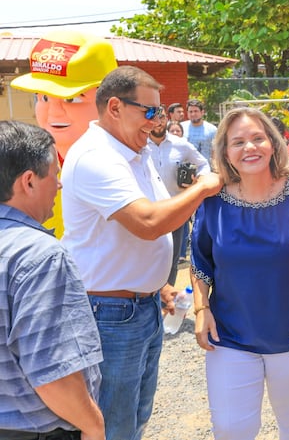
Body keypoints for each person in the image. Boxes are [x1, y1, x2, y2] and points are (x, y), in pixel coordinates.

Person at [60, 66, 223, 440]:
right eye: (149, 111)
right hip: (111, 314)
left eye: (160, 111)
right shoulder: (97, 157)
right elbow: (148, 222)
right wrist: (201, 189)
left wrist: (156, 285)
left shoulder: (136, 150)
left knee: (135, 417)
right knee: (113, 425)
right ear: (115, 107)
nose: (157, 121)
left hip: (140, 306)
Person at [191, 107, 289, 439]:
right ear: (225, 153)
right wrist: (202, 309)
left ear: (272, 143)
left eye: (257, 138)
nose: (249, 148)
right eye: (238, 142)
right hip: (229, 336)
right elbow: (200, 262)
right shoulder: (211, 203)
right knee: (231, 429)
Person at [0, 121, 105, 440]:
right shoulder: (39, 255)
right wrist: (93, 426)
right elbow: (52, 372)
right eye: (54, 175)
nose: (59, 186)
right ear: (29, 181)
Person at [10, 30, 118, 238]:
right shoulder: (24, 164)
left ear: (112, 104)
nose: (53, 111)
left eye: (72, 99)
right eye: (43, 98)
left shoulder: (123, 161)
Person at [147, 106, 210, 286]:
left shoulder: (180, 144)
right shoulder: (140, 145)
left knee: (172, 259)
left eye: (161, 118)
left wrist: (196, 184)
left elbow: (204, 165)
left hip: (176, 209)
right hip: (149, 211)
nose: (158, 123)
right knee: (149, 259)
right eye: (154, 119)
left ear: (166, 119)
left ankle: (170, 298)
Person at [181, 98, 218, 163]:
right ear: (187, 113)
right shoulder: (181, 128)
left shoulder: (212, 130)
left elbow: (216, 151)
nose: (193, 114)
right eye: (190, 111)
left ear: (202, 112)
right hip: (185, 168)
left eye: (196, 111)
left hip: (205, 170)